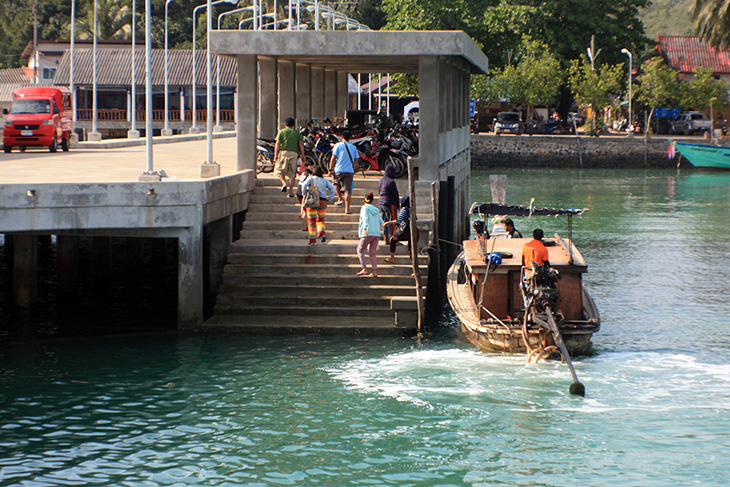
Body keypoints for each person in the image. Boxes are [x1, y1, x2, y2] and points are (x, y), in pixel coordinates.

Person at [301, 166, 337, 245]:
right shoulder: (325, 180)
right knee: (321, 219)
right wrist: (329, 198)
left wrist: (304, 195)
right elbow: (333, 189)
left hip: (312, 201)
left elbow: (303, 185)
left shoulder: (311, 178)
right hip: (323, 201)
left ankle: (312, 241)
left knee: (311, 222)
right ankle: (321, 232)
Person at [274, 117, 306, 197]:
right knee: (292, 173)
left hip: (283, 153)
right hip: (294, 154)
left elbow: (277, 143)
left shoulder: (281, 132)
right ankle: (290, 191)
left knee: (280, 170)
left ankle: (284, 183)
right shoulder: (297, 133)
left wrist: (276, 155)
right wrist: (303, 155)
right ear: (293, 125)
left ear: (285, 124)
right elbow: (301, 145)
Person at [329, 130, 357, 214]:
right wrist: (353, 168)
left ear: (342, 137)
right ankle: (347, 209)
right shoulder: (353, 147)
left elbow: (333, 158)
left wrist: (330, 169)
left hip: (339, 169)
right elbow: (356, 159)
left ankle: (340, 199)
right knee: (348, 190)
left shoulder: (338, 145)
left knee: (336, 183)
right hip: (349, 171)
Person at [357, 192, 383, 277]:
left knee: (360, 250)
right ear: (372, 201)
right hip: (376, 233)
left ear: (364, 200)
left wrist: (365, 228)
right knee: (372, 252)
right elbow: (381, 221)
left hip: (368, 232)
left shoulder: (364, 208)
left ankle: (364, 268)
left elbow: (365, 218)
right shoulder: (376, 209)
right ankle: (375, 271)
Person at [384, 196, 417, 265]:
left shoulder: (404, 209)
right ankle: (416, 269)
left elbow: (399, 222)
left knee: (393, 240)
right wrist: (390, 222)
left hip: (407, 231)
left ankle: (392, 258)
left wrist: (395, 234)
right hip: (415, 231)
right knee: (411, 251)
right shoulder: (411, 210)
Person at [378, 164, 399, 243]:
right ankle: (394, 239)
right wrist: (397, 204)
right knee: (393, 221)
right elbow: (395, 194)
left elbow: (379, 191)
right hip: (390, 204)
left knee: (384, 222)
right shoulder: (391, 182)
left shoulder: (380, 181)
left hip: (381, 203)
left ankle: (386, 240)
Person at [296, 160, 315, 231]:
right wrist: (304, 194)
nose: (312, 167)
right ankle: (303, 226)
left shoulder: (304, 173)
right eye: (310, 166)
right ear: (307, 166)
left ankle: (301, 215)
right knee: (306, 211)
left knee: (303, 208)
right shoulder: (308, 174)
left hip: (299, 192)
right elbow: (304, 185)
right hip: (302, 193)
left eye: (312, 166)